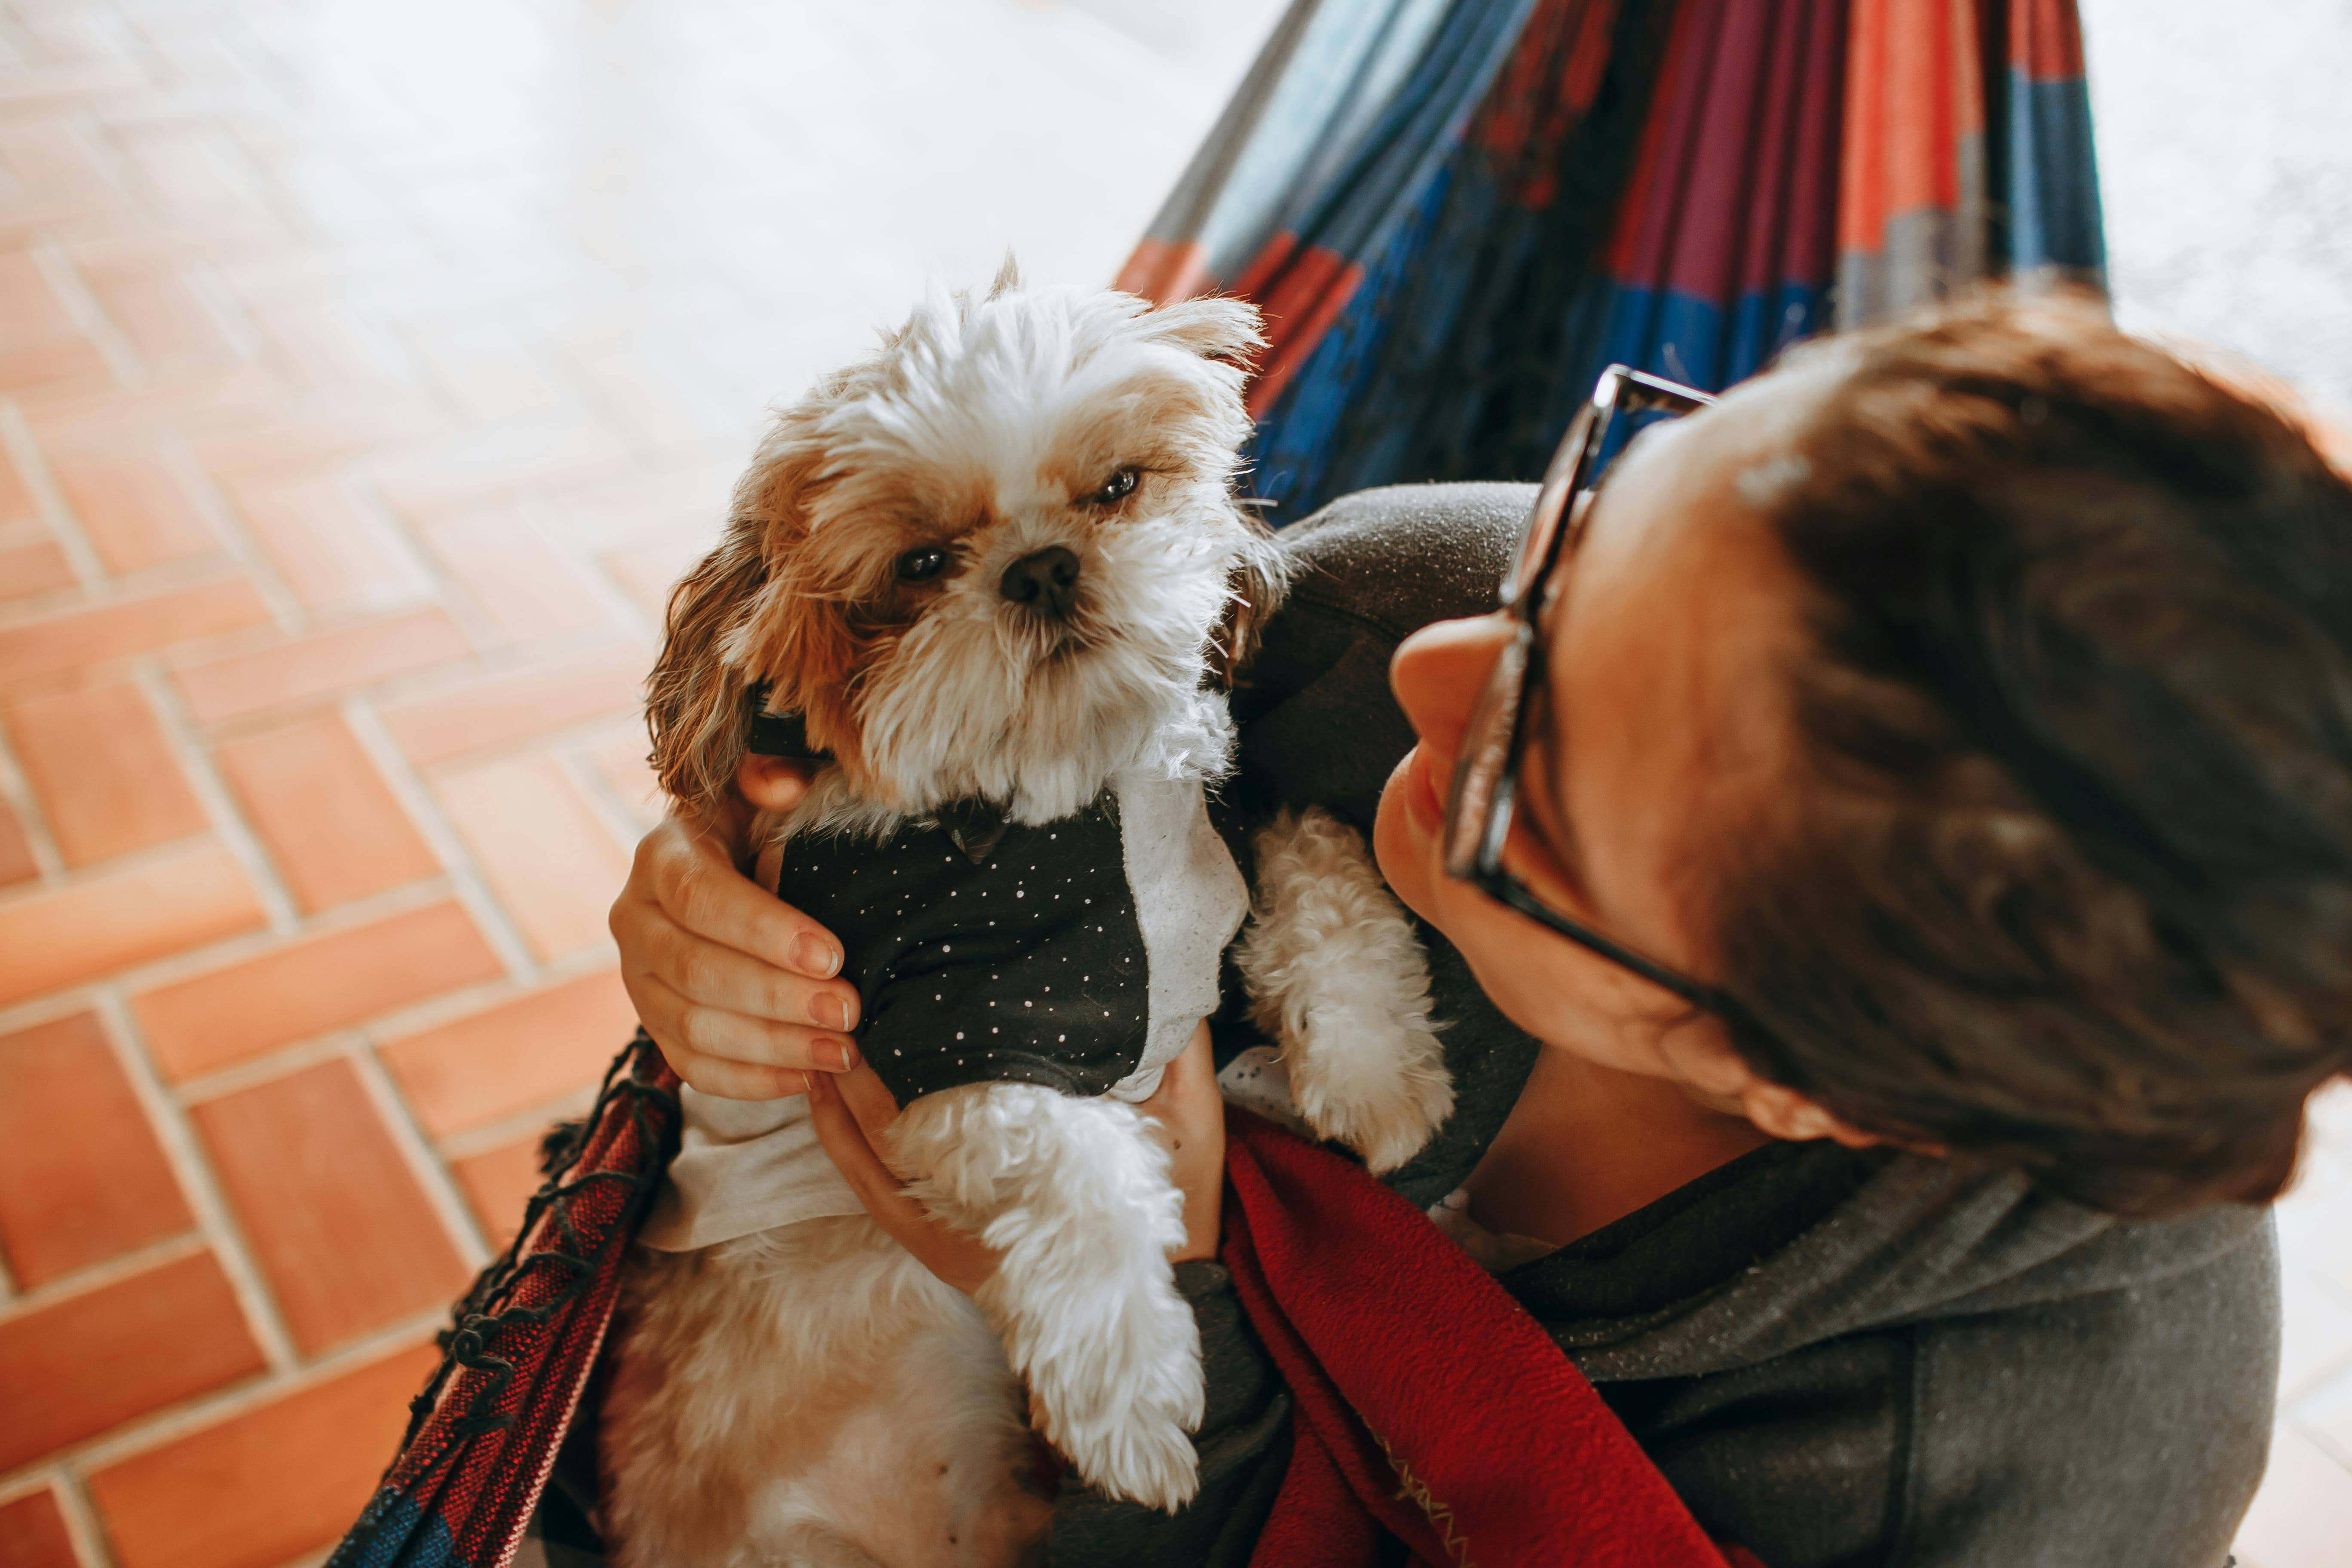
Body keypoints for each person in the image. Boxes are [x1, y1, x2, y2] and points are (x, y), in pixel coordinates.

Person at [595, 295, 2349, 1565]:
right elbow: (930, 806)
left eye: (1547, 785)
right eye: (1580, 548)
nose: (1432, 666)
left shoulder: (2024, 1476)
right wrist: (724, 907)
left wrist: (1186, 1334)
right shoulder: (1402, 594)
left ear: (1797, 1088)